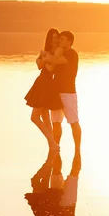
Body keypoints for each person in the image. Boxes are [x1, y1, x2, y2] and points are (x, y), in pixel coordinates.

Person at [43, 31, 82, 187]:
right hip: (56, 93)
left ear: (70, 41)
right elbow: (50, 65)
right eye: (59, 39)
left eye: (63, 40)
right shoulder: (58, 53)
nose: (60, 41)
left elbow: (54, 61)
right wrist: (47, 57)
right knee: (56, 122)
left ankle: (77, 150)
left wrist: (45, 57)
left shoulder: (71, 54)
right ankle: (56, 148)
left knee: (73, 122)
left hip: (68, 93)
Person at [24, 29, 62, 166]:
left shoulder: (58, 51)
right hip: (41, 82)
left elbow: (51, 68)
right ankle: (52, 145)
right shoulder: (47, 51)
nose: (55, 40)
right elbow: (40, 66)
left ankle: (52, 143)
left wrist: (44, 57)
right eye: (52, 38)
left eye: (56, 38)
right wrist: (44, 58)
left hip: (47, 84)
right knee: (44, 116)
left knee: (34, 117)